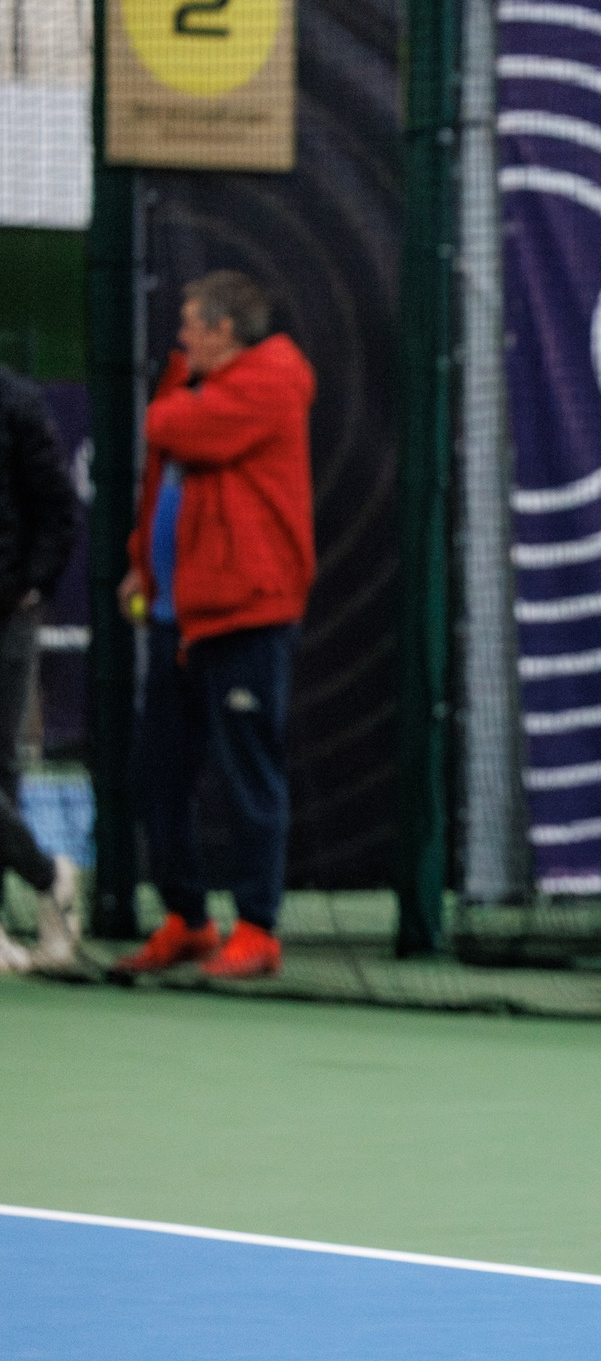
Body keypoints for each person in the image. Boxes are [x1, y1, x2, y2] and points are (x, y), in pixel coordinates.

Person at [114, 271, 314, 979]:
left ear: (225, 330)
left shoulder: (271, 380)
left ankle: (257, 929)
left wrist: (175, 400)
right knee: (157, 775)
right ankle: (188, 920)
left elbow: (175, 429)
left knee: (247, 776)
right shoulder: (200, 384)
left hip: (247, 612)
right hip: (180, 615)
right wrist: (144, 566)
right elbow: (161, 484)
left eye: (191, 324)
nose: (181, 336)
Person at [0, 361, 81, 972]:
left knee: (1, 766)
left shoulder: (16, 402)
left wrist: (33, 585)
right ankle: (49, 877)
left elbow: (57, 507)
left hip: (6, 613)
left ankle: (41, 885)